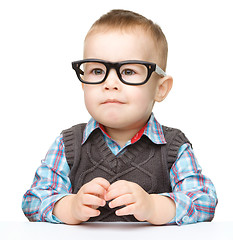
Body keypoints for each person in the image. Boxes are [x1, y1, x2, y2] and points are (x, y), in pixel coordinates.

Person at [22, 9, 217, 225]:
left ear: (160, 89)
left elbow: (204, 201)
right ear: (83, 83)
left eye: (128, 72)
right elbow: (33, 200)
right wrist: (70, 206)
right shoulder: (68, 144)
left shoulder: (173, 147)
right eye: (97, 71)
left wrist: (153, 207)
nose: (110, 83)